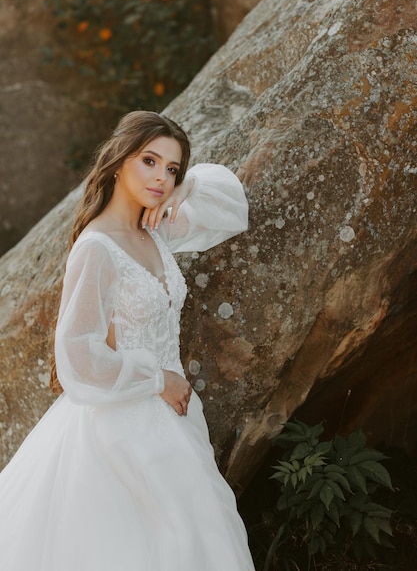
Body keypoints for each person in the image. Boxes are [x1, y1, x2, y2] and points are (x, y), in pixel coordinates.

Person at [0, 110, 255, 571]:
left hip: (172, 420)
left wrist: (187, 189)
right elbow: (77, 353)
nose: (161, 177)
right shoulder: (97, 246)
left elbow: (233, 209)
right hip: (119, 428)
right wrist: (158, 379)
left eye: (171, 169)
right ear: (119, 161)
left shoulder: (154, 231)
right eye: (149, 161)